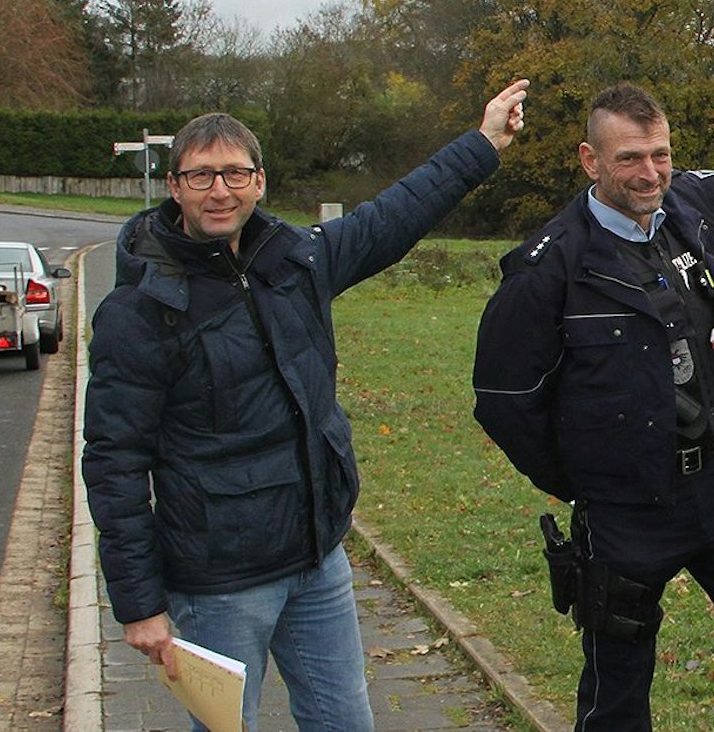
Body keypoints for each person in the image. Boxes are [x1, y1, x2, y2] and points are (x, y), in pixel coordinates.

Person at [82, 80, 529, 732]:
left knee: (345, 722)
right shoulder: (140, 312)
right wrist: (139, 603)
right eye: (200, 174)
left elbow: (393, 216)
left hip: (317, 559)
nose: (219, 189)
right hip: (219, 582)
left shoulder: (296, 262)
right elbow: (114, 462)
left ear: (259, 181)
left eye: (234, 172)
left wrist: (484, 141)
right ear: (175, 186)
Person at [472, 6, 714, 731]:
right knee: (618, 690)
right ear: (590, 160)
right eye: (630, 159)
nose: (650, 173)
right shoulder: (549, 268)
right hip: (623, 502)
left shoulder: (696, 209)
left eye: (660, 154)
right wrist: (581, 475)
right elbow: (504, 397)